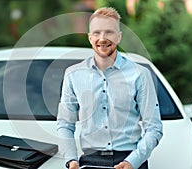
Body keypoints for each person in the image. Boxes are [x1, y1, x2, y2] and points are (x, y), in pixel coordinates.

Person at [57, 7, 163, 169]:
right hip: (90, 161)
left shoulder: (140, 74)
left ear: (119, 37)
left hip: (131, 159)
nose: (102, 38)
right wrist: (71, 159)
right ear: (90, 37)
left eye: (109, 32)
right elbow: (65, 124)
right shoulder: (73, 75)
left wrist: (132, 161)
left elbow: (154, 127)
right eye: (97, 33)